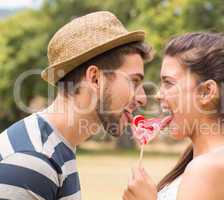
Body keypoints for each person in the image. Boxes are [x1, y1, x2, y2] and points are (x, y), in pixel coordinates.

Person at [0, 11, 152, 200]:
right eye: (134, 82)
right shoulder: (32, 163)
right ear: (95, 79)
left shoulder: (59, 148)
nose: (142, 98)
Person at [123, 32, 224, 200]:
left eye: (168, 82)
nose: (159, 94)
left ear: (206, 92)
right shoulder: (205, 162)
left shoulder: (211, 167)